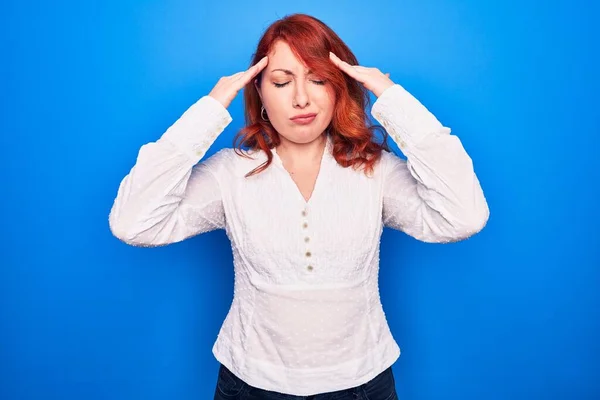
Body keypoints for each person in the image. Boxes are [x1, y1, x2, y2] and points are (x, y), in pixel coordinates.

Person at [108, 13, 489, 400]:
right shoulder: (230, 173)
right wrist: (209, 109)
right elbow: (133, 224)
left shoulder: (373, 170)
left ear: (340, 87)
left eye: (319, 79)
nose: (301, 98)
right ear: (258, 90)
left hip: (362, 384)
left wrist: (391, 97)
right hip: (250, 385)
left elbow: (463, 216)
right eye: (281, 81)